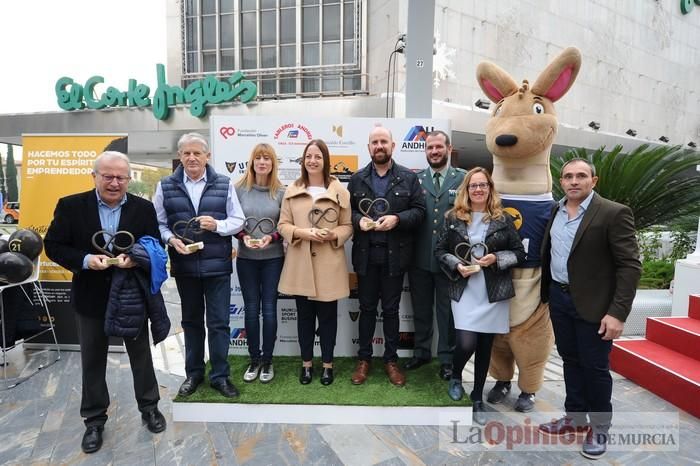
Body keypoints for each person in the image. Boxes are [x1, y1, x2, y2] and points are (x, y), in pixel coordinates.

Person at [45, 151, 167, 454]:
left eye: (121, 177)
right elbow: (53, 246)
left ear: (128, 179)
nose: (114, 183)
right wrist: (86, 259)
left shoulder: (143, 208)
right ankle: (94, 421)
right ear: (95, 176)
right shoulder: (71, 206)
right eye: (108, 176)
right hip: (91, 295)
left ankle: (149, 408)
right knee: (92, 360)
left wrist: (134, 258)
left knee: (140, 355)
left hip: (131, 294)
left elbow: (154, 244)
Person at [538, 158, 641, 460]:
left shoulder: (613, 213)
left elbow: (630, 265)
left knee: (595, 367)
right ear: (561, 182)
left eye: (581, 176)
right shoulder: (555, 210)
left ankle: (599, 427)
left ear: (593, 181)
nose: (573, 181)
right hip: (559, 298)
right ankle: (575, 418)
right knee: (570, 360)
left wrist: (618, 313)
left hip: (596, 305)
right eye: (568, 176)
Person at [153, 132, 245, 398]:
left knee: (218, 324)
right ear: (180, 156)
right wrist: (170, 239)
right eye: (186, 153)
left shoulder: (224, 183)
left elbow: (238, 220)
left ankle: (220, 376)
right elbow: (157, 223)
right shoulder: (165, 185)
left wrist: (217, 225)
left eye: (197, 153)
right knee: (191, 323)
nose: (192, 158)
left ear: (208, 156)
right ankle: (193, 374)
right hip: (184, 266)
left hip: (217, 266)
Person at [435, 167, 525, 425]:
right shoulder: (453, 217)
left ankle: (477, 397)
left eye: (483, 185)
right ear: (466, 189)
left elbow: (519, 252)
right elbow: (440, 250)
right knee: (465, 343)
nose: (478, 189)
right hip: (464, 289)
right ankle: (455, 377)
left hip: (493, 292)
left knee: (485, 346)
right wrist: (456, 265)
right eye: (473, 185)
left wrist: (497, 257)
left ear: (490, 188)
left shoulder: (502, 218)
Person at [348, 126, 425, 387]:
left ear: (393, 145)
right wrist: (359, 222)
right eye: (374, 142)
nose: (379, 146)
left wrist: (397, 219)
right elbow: (347, 213)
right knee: (367, 309)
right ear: (368, 147)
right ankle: (364, 360)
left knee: (391, 311)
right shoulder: (357, 179)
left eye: (383, 141)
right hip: (366, 256)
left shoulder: (408, 178)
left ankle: (391, 360)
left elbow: (419, 212)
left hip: (395, 257)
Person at [278, 139, 352, 386]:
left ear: (325, 161)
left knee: (329, 319)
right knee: (305, 318)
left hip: (329, 265)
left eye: (317, 156)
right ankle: (307, 365)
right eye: (308, 156)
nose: (312, 160)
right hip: (300, 265)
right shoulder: (292, 190)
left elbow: (347, 225)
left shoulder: (340, 191)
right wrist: (302, 233)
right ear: (303, 160)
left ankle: (328, 365)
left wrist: (334, 235)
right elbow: (283, 225)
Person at [406, 130, 465, 380]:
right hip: (419, 256)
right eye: (430, 148)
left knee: (446, 312)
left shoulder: (462, 179)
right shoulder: (415, 180)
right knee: (420, 309)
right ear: (425, 151)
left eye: (439, 147)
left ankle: (447, 359)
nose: (434, 152)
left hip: (449, 260)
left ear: (448, 149)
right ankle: (421, 352)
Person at [234, 143, 285, 383]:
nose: (262, 162)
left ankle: (268, 361)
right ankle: (254, 360)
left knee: (269, 310)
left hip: (273, 259)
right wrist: (243, 237)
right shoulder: (238, 190)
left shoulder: (281, 192)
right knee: (251, 310)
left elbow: (284, 227)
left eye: (267, 158)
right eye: (258, 158)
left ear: (273, 163)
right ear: (252, 162)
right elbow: (232, 223)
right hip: (246, 260)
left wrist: (271, 237)